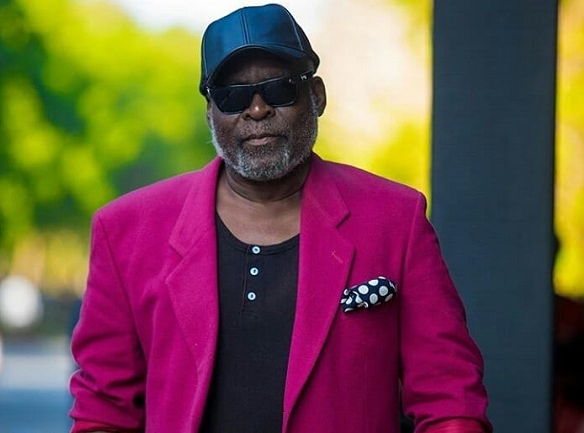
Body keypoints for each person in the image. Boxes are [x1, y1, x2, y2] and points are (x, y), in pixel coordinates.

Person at [68, 4, 492, 433]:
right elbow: (103, 411)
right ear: (210, 112)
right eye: (232, 95)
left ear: (317, 96)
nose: (257, 109)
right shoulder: (125, 232)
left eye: (279, 88)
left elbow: (450, 397)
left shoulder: (395, 219)